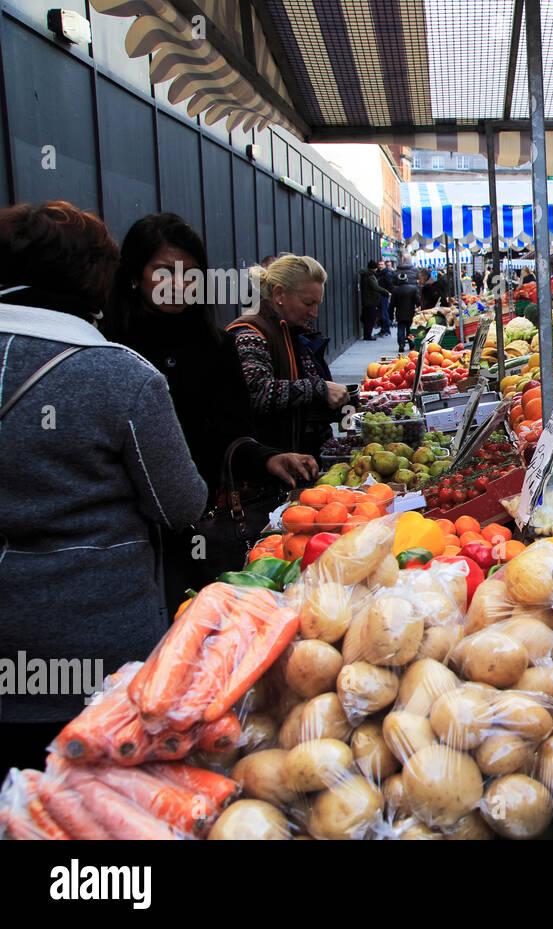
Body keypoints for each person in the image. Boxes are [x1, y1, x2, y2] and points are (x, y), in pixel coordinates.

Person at [0, 201, 207, 750]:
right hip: (96, 647)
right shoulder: (119, 373)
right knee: (91, 800)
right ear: (100, 275)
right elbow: (179, 505)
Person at [102, 213, 319, 611]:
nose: (178, 285)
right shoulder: (108, 345)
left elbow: (231, 431)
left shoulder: (216, 345)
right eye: (164, 272)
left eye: (190, 274)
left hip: (200, 524)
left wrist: (269, 457)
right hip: (123, 533)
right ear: (134, 274)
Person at [228, 254, 348, 458]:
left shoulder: (292, 331)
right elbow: (257, 391)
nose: (314, 313)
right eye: (308, 303)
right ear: (279, 294)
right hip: (267, 465)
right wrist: (321, 389)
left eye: (317, 304)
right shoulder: (250, 333)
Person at [390, 265, 420, 352]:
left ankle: (401, 345)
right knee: (410, 330)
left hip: (400, 313)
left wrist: (391, 315)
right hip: (410, 312)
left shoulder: (395, 290)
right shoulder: (413, 289)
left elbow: (392, 304)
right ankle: (411, 345)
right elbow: (417, 301)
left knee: (400, 329)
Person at [360, 260, 387, 341]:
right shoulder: (369, 276)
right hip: (370, 301)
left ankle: (367, 335)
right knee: (370, 319)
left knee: (367, 319)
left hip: (368, 301)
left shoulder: (366, 275)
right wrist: (386, 292)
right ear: (373, 268)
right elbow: (375, 287)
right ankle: (368, 335)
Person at [376, 260, 395, 337]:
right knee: (382, 312)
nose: (380, 266)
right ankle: (384, 329)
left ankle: (386, 330)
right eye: (379, 264)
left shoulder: (387, 273)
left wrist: (388, 293)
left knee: (384, 312)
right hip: (381, 294)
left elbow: (390, 285)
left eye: (382, 264)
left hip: (384, 295)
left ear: (384, 265)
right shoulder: (381, 273)